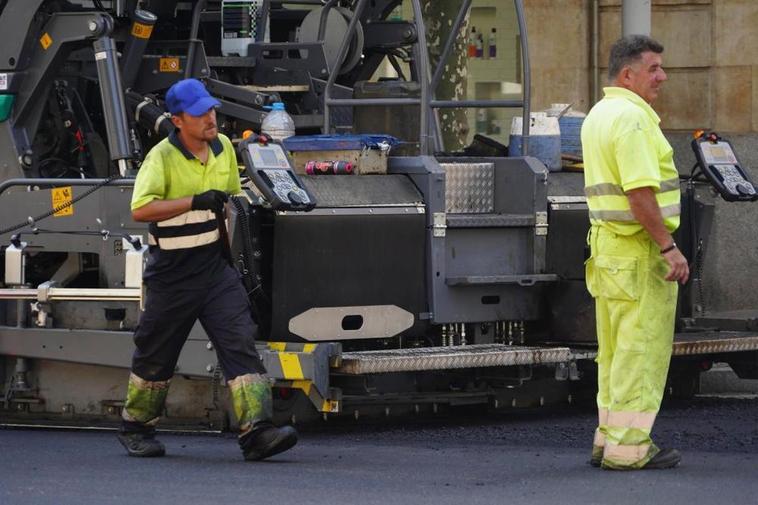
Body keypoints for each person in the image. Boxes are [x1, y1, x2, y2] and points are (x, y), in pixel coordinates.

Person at [116, 78, 297, 461]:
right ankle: (136, 427)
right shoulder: (161, 157)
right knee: (156, 353)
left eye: (211, 110)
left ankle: (257, 433)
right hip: (171, 274)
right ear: (179, 120)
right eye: (200, 114)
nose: (210, 118)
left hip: (215, 269)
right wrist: (192, 200)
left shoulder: (225, 148)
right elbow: (140, 209)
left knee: (239, 341)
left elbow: (232, 197)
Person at [581, 35, 689, 470]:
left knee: (613, 352)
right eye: (654, 68)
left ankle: (607, 439)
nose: (662, 77)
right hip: (640, 250)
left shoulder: (599, 114)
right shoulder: (634, 120)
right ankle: (630, 449)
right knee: (640, 351)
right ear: (628, 74)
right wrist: (669, 246)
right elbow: (640, 193)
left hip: (607, 248)